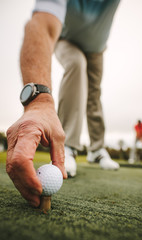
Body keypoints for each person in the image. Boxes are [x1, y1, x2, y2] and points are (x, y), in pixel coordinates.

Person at [6, 0, 120, 207]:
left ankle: (96, 150)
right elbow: (41, 25)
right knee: (76, 65)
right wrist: (38, 103)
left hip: (97, 48)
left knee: (94, 94)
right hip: (65, 39)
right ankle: (68, 147)